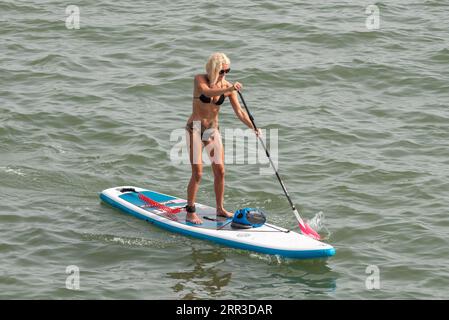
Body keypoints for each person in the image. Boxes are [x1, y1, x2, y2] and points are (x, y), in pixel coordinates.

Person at [185, 52, 261, 224]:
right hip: (195, 129)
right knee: (197, 173)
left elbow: (240, 113)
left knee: (220, 171)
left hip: (212, 131)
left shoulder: (227, 87)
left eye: (228, 71)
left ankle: (220, 209)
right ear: (214, 69)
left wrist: (254, 127)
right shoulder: (200, 80)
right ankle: (190, 210)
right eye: (222, 71)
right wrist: (229, 88)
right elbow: (207, 91)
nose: (225, 74)